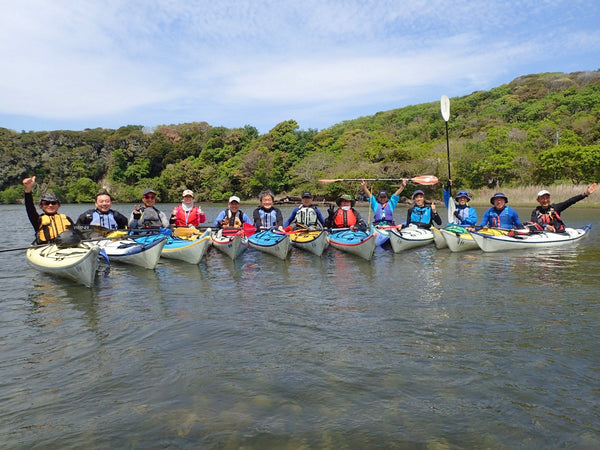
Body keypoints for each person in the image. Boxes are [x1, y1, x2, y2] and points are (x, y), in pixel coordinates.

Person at [22, 176, 75, 244]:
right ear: (41, 206)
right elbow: (29, 207)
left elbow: (76, 232)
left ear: (58, 205)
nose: (50, 205)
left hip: (66, 246)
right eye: (47, 203)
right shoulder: (38, 220)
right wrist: (28, 189)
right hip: (47, 247)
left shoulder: (66, 218)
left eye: (53, 203)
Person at [531, 183, 597, 232]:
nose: (545, 200)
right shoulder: (535, 212)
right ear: (538, 200)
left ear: (550, 199)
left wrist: (585, 194)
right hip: (543, 235)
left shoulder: (556, 208)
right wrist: (546, 226)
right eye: (542, 198)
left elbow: (570, 201)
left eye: (547, 198)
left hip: (558, 234)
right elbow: (534, 223)